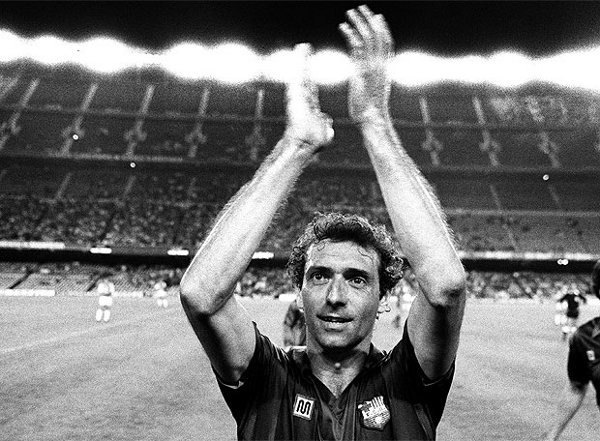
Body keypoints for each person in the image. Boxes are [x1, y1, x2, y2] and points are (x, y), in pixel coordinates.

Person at [179, 5, 466, 440]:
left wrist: (374, 121)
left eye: (357, 279)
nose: (335, 296)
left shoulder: (408, 382)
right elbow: (201, 294)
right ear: (299, 291)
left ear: (383, 299)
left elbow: (445, 286)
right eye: (319, 276)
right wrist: (295, 145)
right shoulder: (267, 380)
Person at [544, 260, 600, 440]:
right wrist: (552, 435)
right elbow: (576, 386)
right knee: (570, 325)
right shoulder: (584, 338)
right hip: (572, 315)